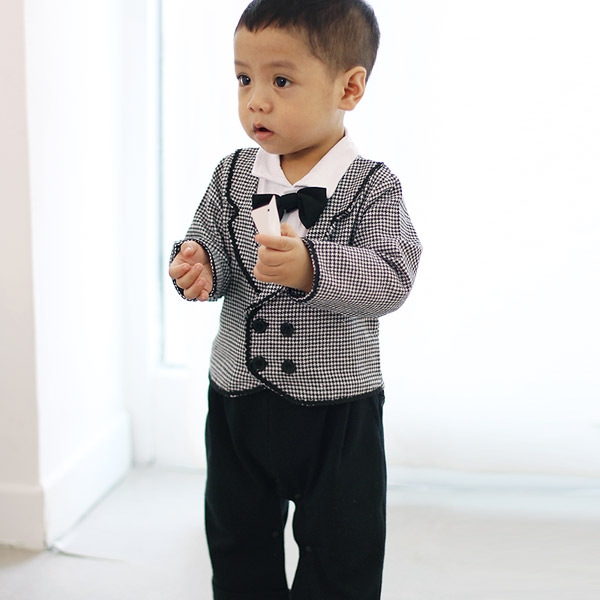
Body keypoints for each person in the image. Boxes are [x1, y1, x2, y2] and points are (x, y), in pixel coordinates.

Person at [168, 1, 422, 598]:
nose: (256, 100)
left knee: (343, 552)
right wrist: (199, 263)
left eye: (280, 81)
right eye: (243, 79)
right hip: (237, 400)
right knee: (236, 540)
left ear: (349, 88)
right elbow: (213, 242)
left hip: (336, 412)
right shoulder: (232, 175)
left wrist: (314, 267)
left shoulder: (372, 186)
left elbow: (394, 275)